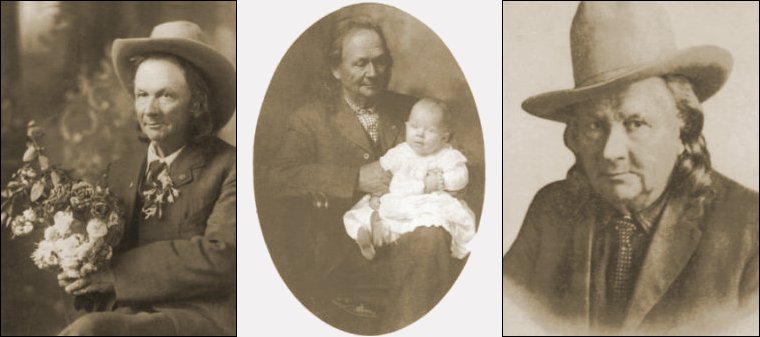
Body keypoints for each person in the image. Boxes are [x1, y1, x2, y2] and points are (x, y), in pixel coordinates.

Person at [503, 2, 759, 334]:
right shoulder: (551, 210)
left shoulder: (750, 228)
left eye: (636, 123)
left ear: (683, 125)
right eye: (595, 126)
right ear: (575, 136)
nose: (611, 152)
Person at [269, 17, 460, 333]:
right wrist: (354, 178)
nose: (373, 73)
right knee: (428, 244)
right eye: (360, 64)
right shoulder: (310, 119)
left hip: (409, 230)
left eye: (380, 62)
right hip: (345, 248)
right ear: (336, 69)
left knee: (430, 238)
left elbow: (450, 155)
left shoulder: (413, 111)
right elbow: (278, 178)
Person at [56, 21, 236, 335]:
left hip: (198, 315)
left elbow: (224, 256)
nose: (149, 110)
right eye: (142, 95)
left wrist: (117, 275)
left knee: (90, 332)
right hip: (128, 308)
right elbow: (104, 248)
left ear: (196, 103)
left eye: (165, 96)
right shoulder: (122, 169)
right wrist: (80, 267)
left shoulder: (228, 166)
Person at [343, 98, 476, 261]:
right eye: (414, 127)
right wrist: (377, 195)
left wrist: (442, 181)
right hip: (398, 197)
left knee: (431, 219)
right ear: (406, 126)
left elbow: (462, 176)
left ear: (444, 138)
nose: (420, 134)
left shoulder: (447, 155)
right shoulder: (400, 152)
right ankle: (366, 232)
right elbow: (382, 172)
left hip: (428, 200)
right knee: (373, 210)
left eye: (430, 130)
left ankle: (382, 233)